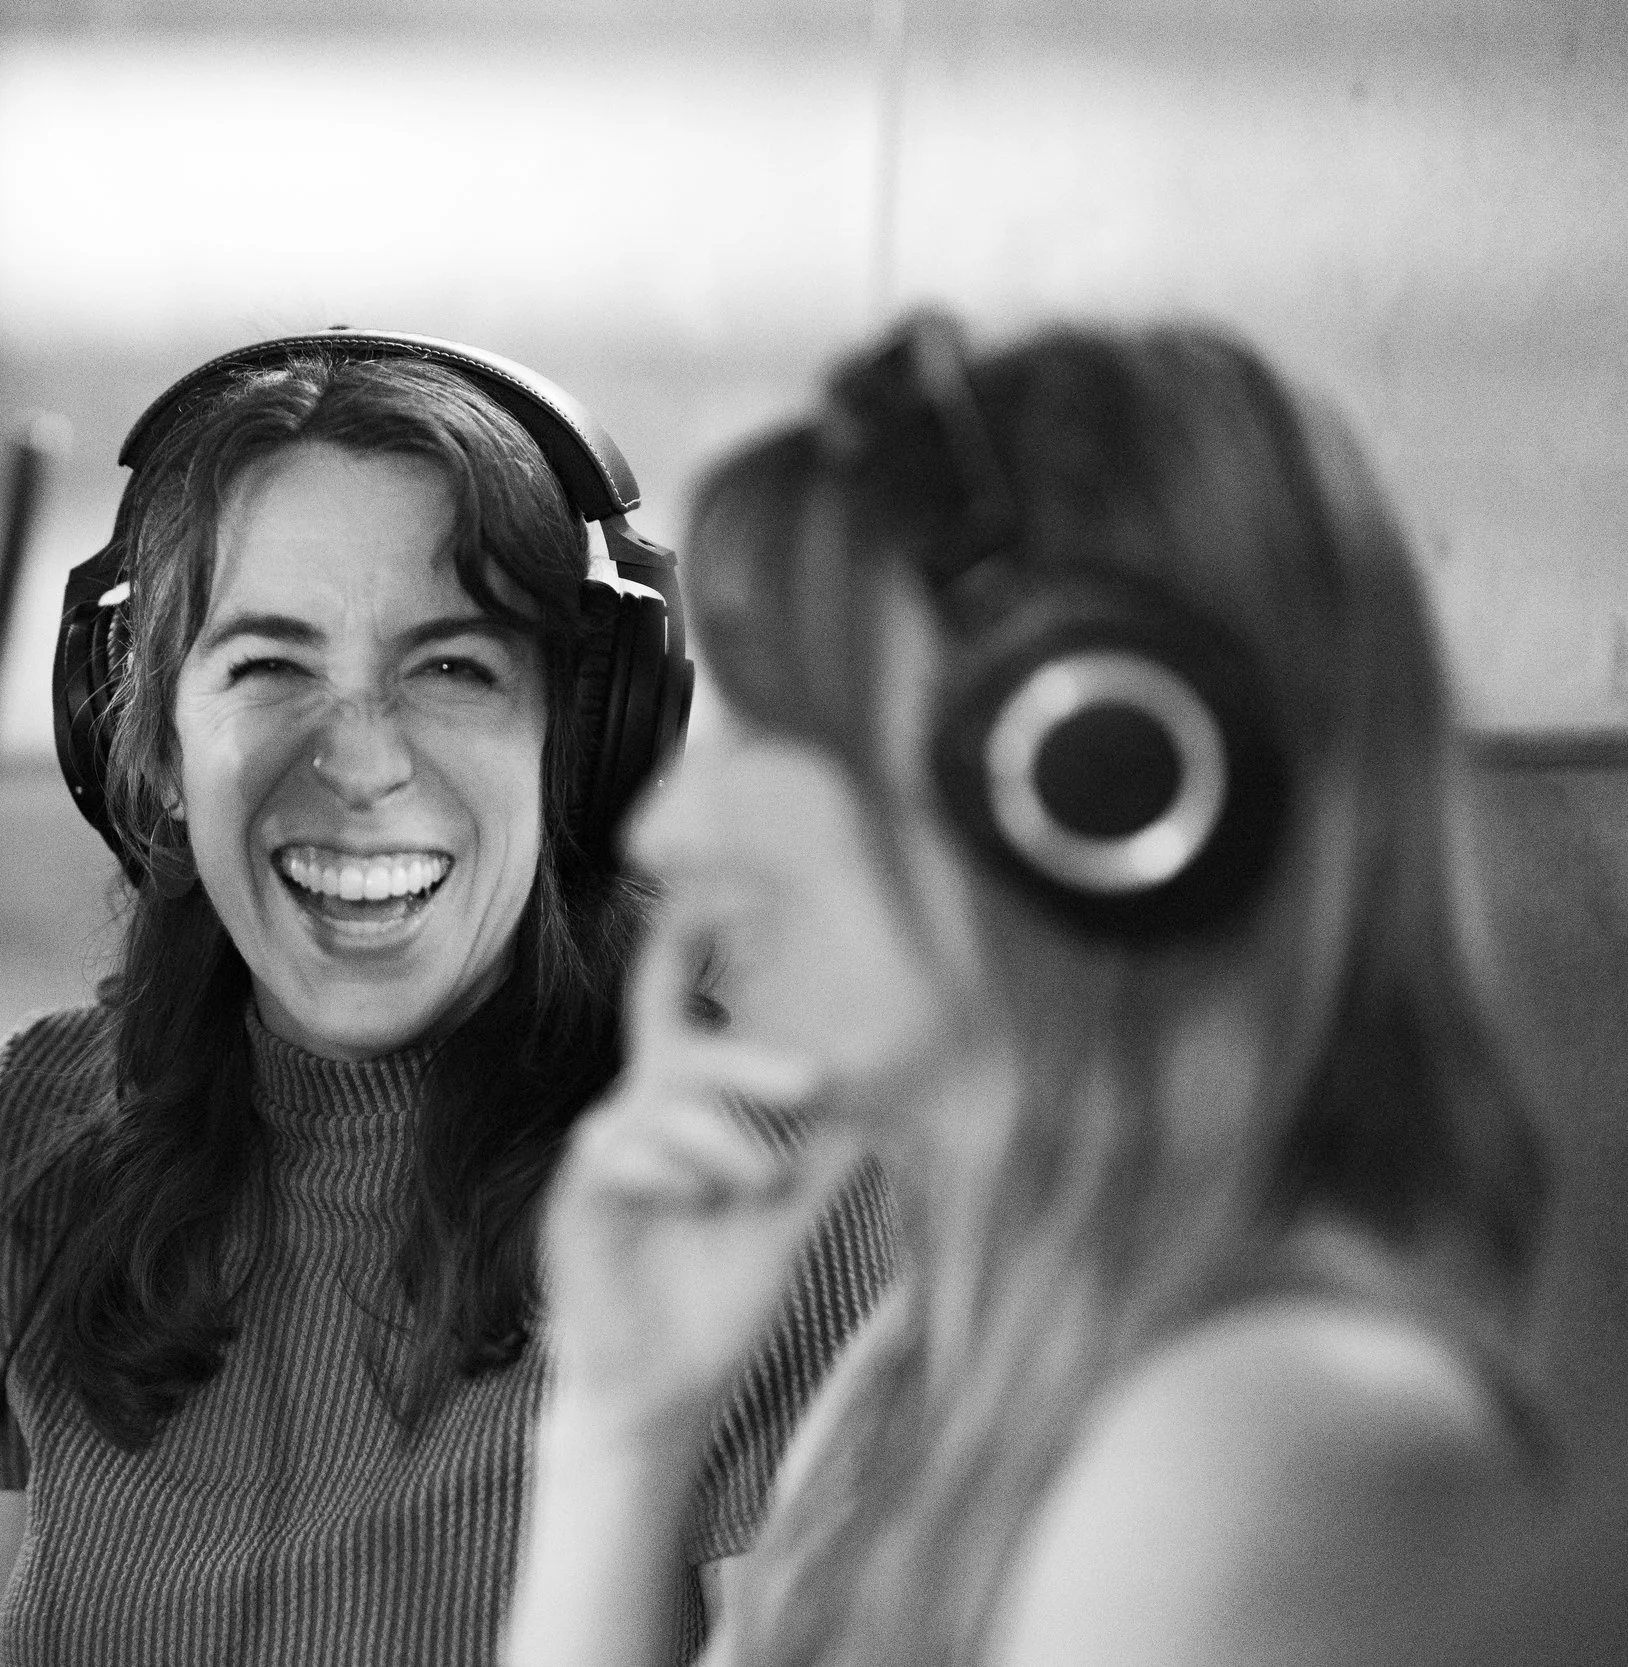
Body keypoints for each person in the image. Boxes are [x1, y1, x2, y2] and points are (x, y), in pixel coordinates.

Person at [505, 312, 1548, 1667]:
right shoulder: (925, 1367)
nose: (666, 835)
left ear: (1091, 778)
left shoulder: (1264, 1432)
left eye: (771, 736)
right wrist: (619, 1423)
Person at [0, 335, 895, 1667]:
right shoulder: (25, 1134)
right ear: (156, 747)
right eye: (268, 666)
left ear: (579, 747)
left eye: (452, 668)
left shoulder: (750, 1183)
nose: (357, 760)